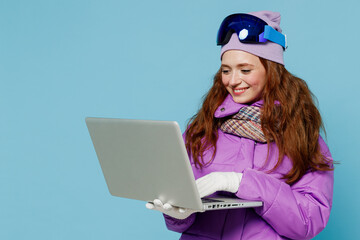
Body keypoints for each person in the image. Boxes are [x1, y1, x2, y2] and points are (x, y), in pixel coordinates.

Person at [146, 11, 334, 239]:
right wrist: (176, 212)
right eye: (226, 70)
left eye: (245, 70)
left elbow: (308, 222)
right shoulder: (201, 130)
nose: (233, 80)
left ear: (271, 70)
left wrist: (241, 183)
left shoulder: (301, 136)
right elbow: (182, 216)